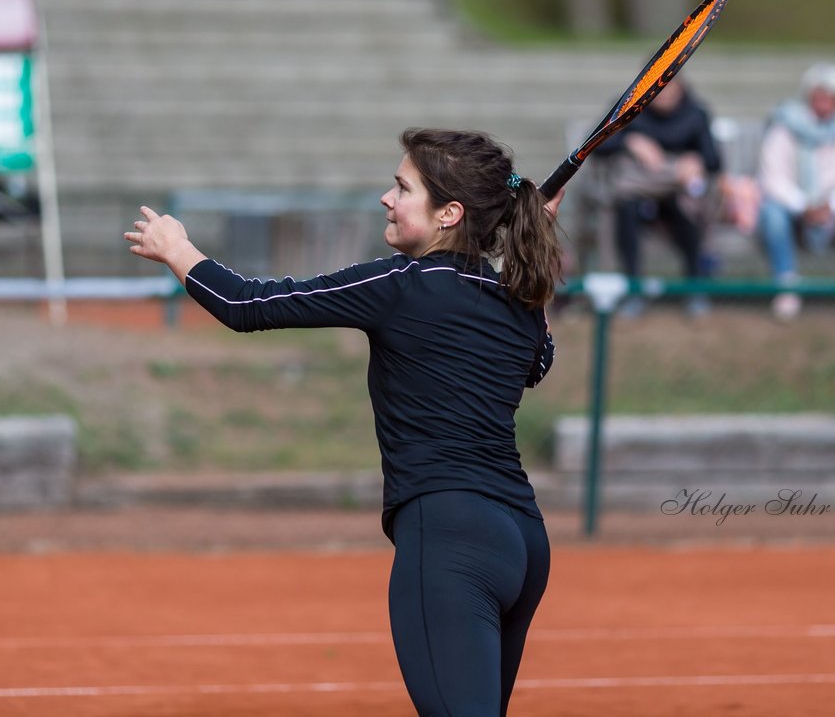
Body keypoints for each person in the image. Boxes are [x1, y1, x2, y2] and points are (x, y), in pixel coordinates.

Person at [125, 128, 565, 716]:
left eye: (403, 188)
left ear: (449, 214)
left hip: (450, 531)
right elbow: (539, 362)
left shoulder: (401, 285)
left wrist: (176, 248)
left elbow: (246, 305)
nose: (387, 198)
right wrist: (524, 260)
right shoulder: (519, 303)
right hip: (524, 539)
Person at [756, 63, 835, 322]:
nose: (823, 103)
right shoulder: (785, 127)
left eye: (830, 97)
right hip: (795, 210)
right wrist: (802, 204)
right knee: (771, 213)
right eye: (818, 96)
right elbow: (772, 176)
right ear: (808, 97)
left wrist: (834, 204)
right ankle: (786, 287)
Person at [592, 78, 721, 316]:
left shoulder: (695, 113)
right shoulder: (630, 106)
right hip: (636, 195)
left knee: (691, 208)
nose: (666, 95)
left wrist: (695, 161)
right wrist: (629, 141)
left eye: (672, 88)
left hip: (676, 195)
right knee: (626, 208)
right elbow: (598, 145)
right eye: (661, 89)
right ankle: (633, 290)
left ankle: (695, 287)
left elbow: (713, 159)